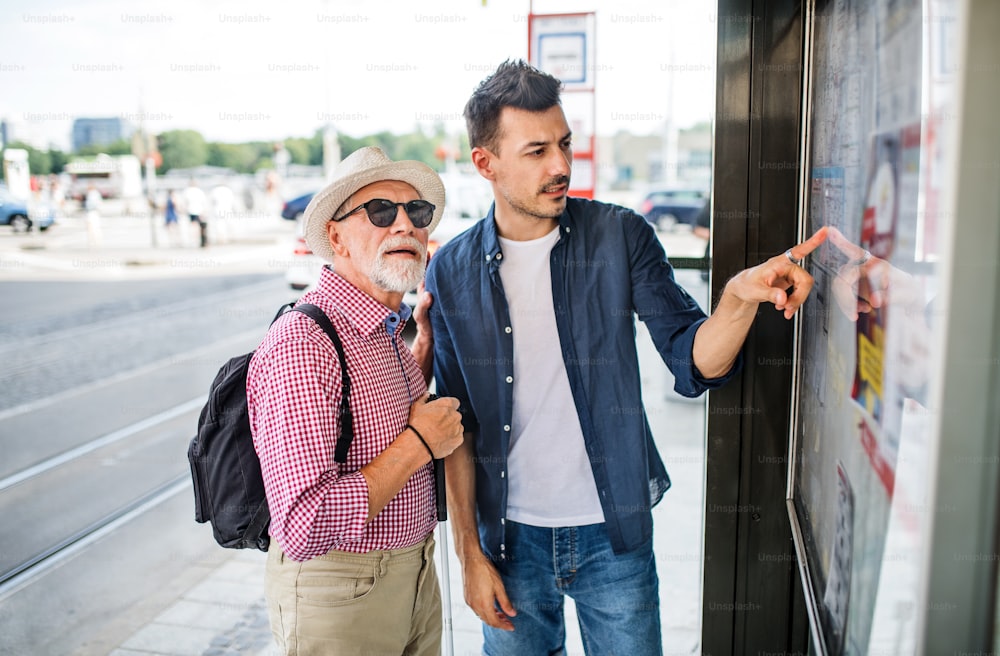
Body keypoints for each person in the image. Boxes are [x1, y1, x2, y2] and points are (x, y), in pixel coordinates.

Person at [422, 60, 828, 655]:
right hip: (508, 542)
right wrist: (469, 557)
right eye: (536, 151)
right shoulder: (451, 270)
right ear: (486, 164)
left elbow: (696, 360)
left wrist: (738, 299)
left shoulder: (620, 236)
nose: (561, 165)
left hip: (613, 535)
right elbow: (453, 428)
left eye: (563, 144)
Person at [247, 146, 464, 655]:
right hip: (341, 594)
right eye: (381, 212)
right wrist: (418, 444)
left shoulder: (385, 331)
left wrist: (424, 350)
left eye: (418, 212)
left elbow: (378, 422)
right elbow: (303, 524)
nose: (405, 225)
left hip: (415, 573)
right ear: (336, 237)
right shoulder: (305, 344)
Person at [182, 179, 208, 248]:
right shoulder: (199, 191)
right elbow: (204, 202)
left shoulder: (187, 191)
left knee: (193, 226)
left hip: (191, 211)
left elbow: (185, 202)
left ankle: (194, 240)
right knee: (200, 227)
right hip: (199, 211)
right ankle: (200, 240)